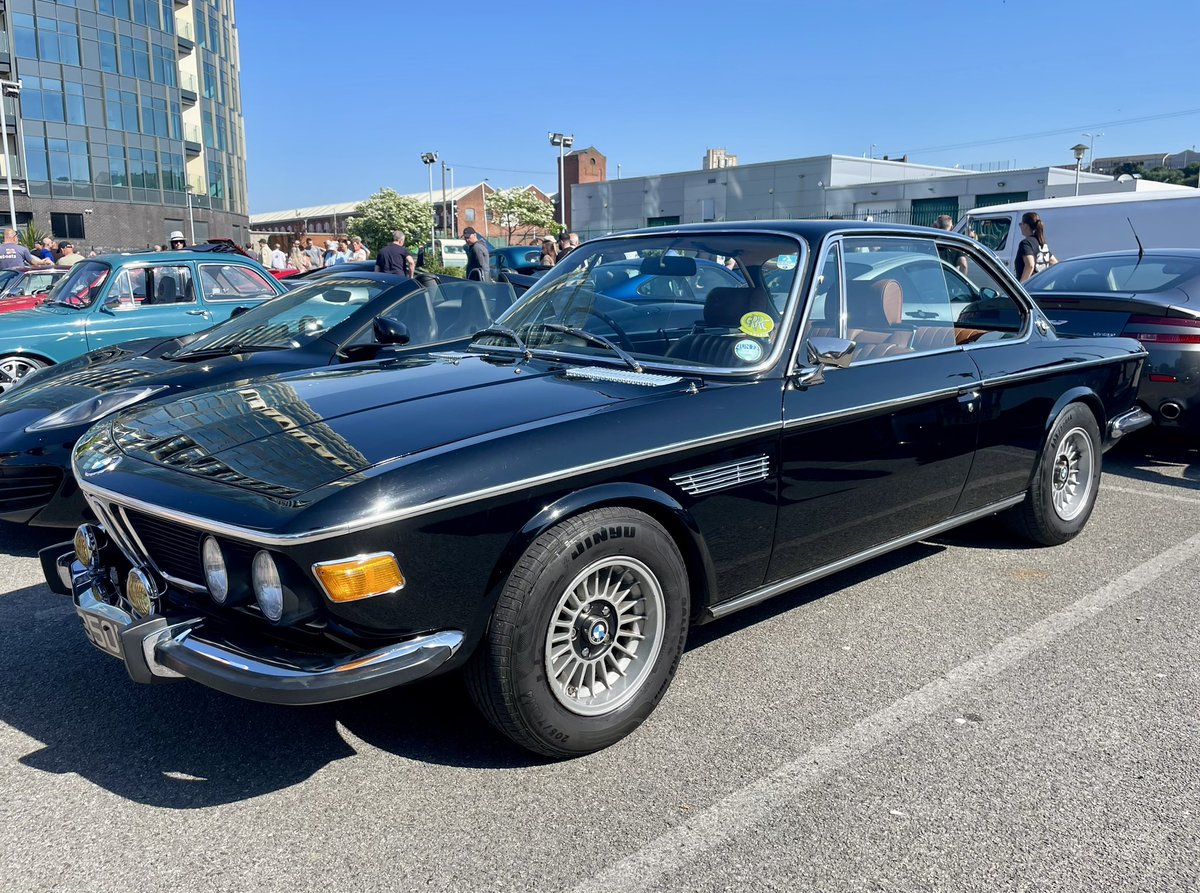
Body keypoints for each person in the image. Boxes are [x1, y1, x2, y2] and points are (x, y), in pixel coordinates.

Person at [1014, 211, 1057, 282]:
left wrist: (1021, 286)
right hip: (1040, 286)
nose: (1020, 226)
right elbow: (1055, 263)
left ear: (1026, 226)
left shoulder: (1026, 243)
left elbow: (1030, 265)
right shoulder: (1042, 243)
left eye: (1021, 224)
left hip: (1030, 288)